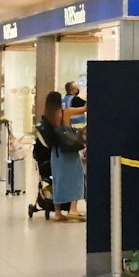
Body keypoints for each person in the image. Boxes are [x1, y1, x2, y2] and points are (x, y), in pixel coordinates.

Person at [35, 91, 84, 222]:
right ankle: (73, 209)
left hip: (55, 154)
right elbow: (85, 109)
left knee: (58, 180)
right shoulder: (65, 113)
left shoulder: (47, 118)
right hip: (68, 151)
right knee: (76, 177)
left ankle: (57, 212)